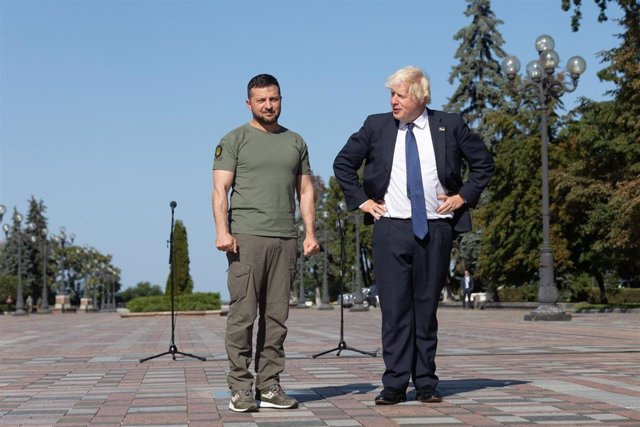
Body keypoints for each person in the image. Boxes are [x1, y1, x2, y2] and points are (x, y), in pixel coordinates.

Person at [333, 66, 494, 405]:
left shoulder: (450, 125)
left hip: (435, 228)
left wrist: (462, 197)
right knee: (394, 309)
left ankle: (425, 383)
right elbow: (343, 164)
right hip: (390, 229)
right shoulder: (376, 126)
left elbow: (484, 164)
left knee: (425, 308)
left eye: (400, 95)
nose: (394, 100)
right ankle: (394, 383)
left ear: (420, 97)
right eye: (391, 94)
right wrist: (362, 201)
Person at [212, 73, 319, 413]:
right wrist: (222, 231)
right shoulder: (234, 139)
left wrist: (310, 233)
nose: (268, 105)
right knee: (243, 316)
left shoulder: (296, 142)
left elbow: (305, 191)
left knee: (276, 319)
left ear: (281, 99)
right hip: (246, 238)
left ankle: (269, 386)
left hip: (285, 238)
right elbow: (219, 190)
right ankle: (240, 388)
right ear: (249, 103)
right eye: (261, 100)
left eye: (273, 99)